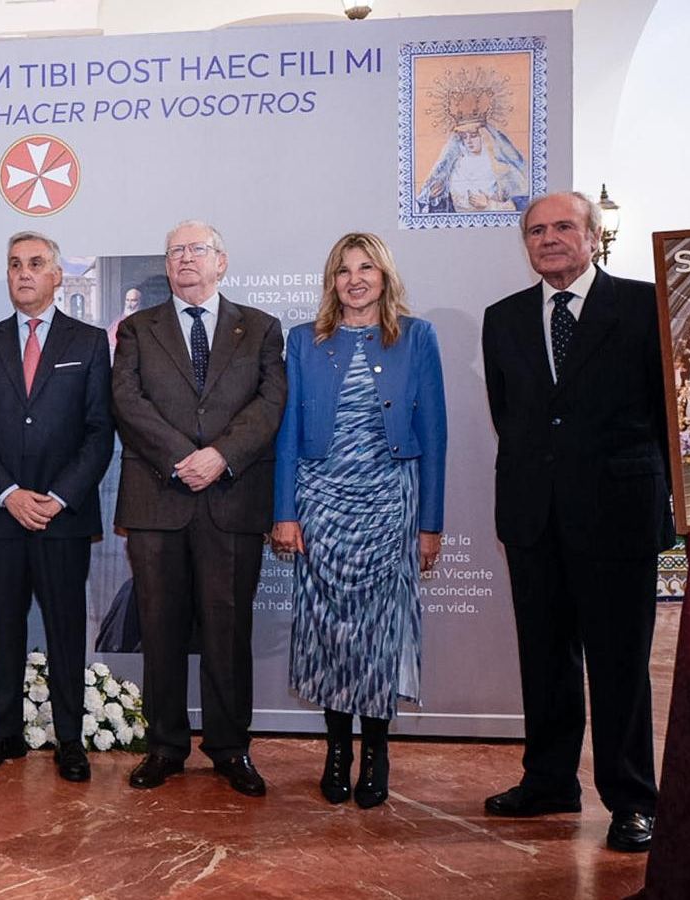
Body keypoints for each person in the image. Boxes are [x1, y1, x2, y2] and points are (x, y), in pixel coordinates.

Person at [481, 191, 671, 853]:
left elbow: (668, 414)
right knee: (545, 659)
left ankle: (631, 800)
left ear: (593, 236)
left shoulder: (645, 307)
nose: (550, 238)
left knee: (620, 664)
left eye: (564, 226)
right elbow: (513, 417)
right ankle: (549, 781)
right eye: (537, 230)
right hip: (533, 515)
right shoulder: (502, 318)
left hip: (619, 515)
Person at [269, 233, 446, 809]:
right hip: (320, 505)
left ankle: (376, 751)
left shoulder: (416, 337)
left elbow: (435, 436)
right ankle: (336, 750)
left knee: (378, 633)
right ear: (332, 281)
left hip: (390, 503)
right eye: (344, 270)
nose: (355, 279)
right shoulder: (303, 340)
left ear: (384, 276)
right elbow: (288, 433)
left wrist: (430, 522)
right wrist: (285, 514)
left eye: (366, 267)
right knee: (329, 632)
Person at [110, 220, 286, 797]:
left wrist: (221, 456)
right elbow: (126, 401)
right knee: (158, 629)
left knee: (227, 631)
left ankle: (231, 748)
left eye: (197, 250)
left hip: (231, 499)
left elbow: (270, 403)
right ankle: (164, 746)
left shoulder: (259, 329)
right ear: (166, 266)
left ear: (221, 262)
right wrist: (183, 457)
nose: (186, 259)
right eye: (176, 251)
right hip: (158, 498)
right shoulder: (138, 328)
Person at [0, 231, 113, 782]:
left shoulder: (90, 342)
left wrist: (57, 497)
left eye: (36, 264)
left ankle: (69, 740)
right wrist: (8, 494)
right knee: (5, 629)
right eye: (14, 264)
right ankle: (5, 735)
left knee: (67, 629)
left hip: (62, 518)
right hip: (3, 515)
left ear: (56, 277)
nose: (23, 273)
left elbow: (99, 434)